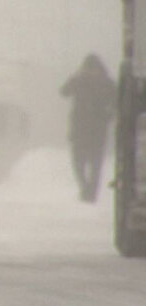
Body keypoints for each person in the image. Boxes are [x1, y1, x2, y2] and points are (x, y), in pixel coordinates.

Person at [60, 54, 116, 203]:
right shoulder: (85, 81)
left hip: (91, 129)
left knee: (91, 164)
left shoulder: (102, 82)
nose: (91, 72)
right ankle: (87, 189)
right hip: (86, 129)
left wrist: (108, 115)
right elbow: (64, 91)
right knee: (83, 163)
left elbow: (116, 101)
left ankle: (90, 192)